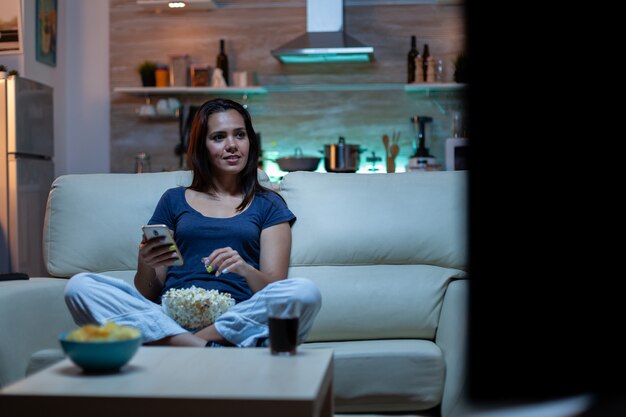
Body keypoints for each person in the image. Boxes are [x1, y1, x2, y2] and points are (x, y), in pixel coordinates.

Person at [64, 98, 322, 348]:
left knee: (303, 292)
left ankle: (177, 343)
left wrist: (244, 269)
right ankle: (202, 345)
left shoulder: (269, 204)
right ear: (202, 146)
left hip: (234, 316)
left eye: (240, 135)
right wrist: (146, 263)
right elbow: (148, 293)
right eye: (219, 137)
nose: (232, 145)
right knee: (80, 286)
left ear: (250, 142)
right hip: (170, 314)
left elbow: (274, 289)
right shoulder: (174, 200)